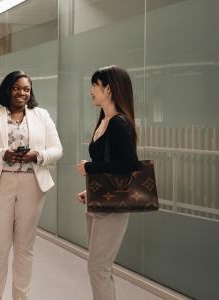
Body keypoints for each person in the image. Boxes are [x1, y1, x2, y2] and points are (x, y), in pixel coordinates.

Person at [0, 70, 63, 299]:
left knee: (25, 248)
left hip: (32, 184)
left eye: (26, 89)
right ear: (7, 89)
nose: (21, 93)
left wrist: (37, 155)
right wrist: (3, 154)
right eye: (16, 88)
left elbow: (57, 149)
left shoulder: (42, 115)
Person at [75, 65, 140, 300]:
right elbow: (109, 162)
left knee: (98, 268)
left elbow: (129, 164)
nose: (91, 90)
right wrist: (91, 188)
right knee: (98, 267)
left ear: (109, 89)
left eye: (95, 85)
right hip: (100, 202)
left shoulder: (118, 123)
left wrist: (89, 168)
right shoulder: (105, 121)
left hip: (113, 208)